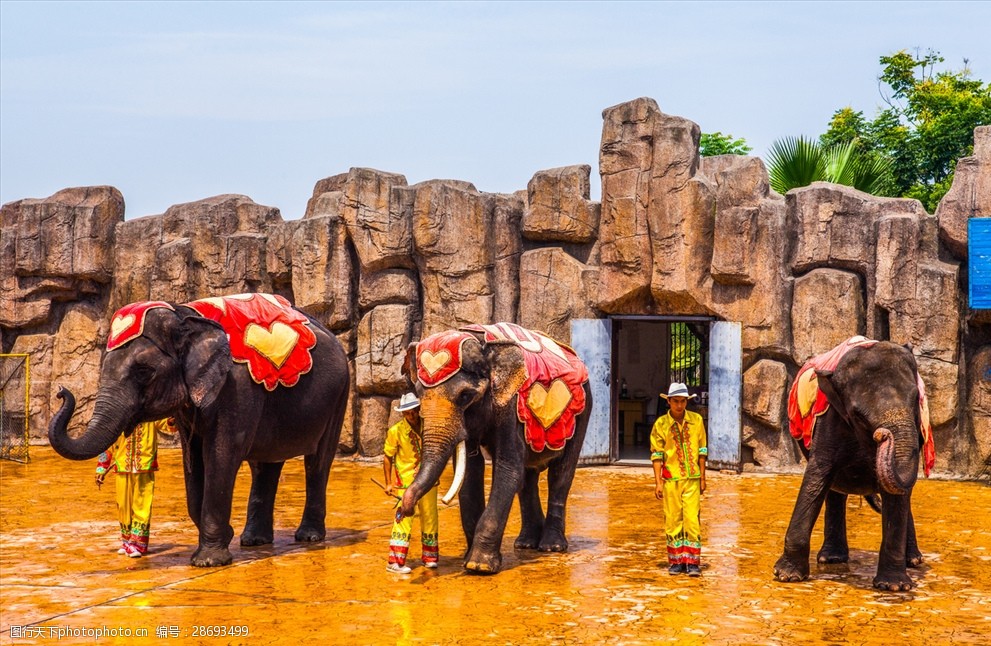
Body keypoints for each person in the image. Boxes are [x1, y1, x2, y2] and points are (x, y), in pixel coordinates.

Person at [650, 382, 707, 576]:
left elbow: (702, 450)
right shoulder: (661, 425)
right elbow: (657, 455)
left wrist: (703, 477)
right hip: (671, 479)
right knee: (673, 520)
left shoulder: (697, 420)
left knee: (692, 519)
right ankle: (675, 561)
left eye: (683, 401)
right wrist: (658, 481)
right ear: (669, 401)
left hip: (692, 478)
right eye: (676, 401)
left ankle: (692, 562)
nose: (680, 405)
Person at [95, 417, 173, 558]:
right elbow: (107, 445)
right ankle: (126, 541)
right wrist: (101, 469)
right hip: (122, 468)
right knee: (123, 507)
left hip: (144, 466)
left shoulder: (151, 414)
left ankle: (137, 544)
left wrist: (174, 418)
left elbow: (168, 425)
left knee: (142, 506)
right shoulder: (119, 415)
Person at [383, 393, 438, 574]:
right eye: (406, 412)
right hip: (406, 483)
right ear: (402, 414)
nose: (411, 415)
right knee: (404, 518)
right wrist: (389, 483)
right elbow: (387, 457)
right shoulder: (396, 431)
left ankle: (430, 557)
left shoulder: (429, 428)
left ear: (418, 409)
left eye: (413, 411)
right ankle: (395, 561)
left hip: (428, 481)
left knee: (430, 516)